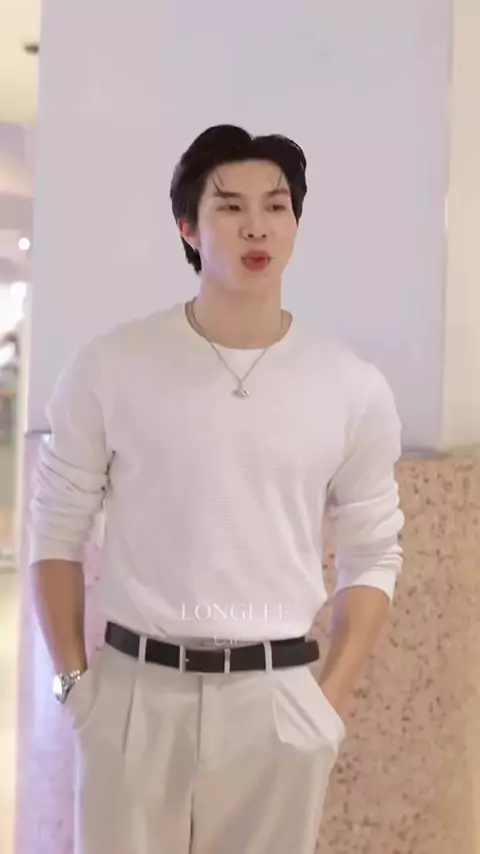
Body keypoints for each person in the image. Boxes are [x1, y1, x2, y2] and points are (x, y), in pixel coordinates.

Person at [29, 124, 404, 854]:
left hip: (278, 700)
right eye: (230, 206)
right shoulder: (111, 365)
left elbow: (373, 552)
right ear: (188, 227)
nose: (257, 226)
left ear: (295, 222)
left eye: (277, 205)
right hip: (135, 696)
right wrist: (74, 685)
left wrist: (328, 703)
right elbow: (56, 526)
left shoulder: (349, 385)